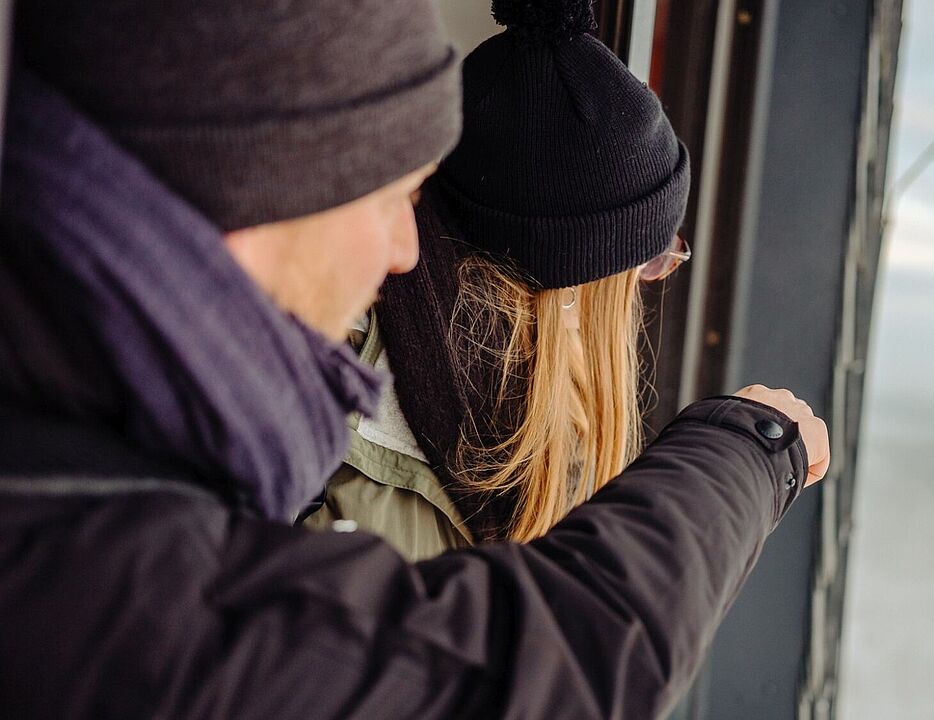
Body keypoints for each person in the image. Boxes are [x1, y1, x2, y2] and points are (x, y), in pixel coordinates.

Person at [0, 1, 830, 719]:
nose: (406, 251)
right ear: (258, 188)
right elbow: (543, 673)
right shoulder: (110, 575)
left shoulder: (111, 455)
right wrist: (751, 447)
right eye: (396, 196)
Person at [304, 1, 698, 558]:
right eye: (648, 263)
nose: (647, 288)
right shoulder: (325, 389)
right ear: (570, 284)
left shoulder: (551, 427)